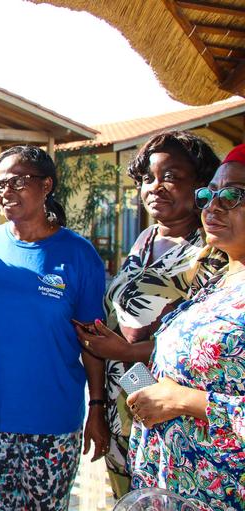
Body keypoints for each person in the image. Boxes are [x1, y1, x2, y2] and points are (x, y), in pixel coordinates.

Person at [74, 131, 226, 498]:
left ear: (202, 184)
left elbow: (205, 343)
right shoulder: (145, 240)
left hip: (172, 409)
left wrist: (127, 353)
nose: (155, 187)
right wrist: (97, 405)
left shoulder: (213, 252)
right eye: (147, 178)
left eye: (171, 177)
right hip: (121, 397)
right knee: (128, 497)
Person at [0, 145, 109, 511]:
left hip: (53, 417)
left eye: (19, 181)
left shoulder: (79, 255)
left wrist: (97, 406)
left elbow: (92, 342)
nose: (5, 190)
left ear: (47, 186)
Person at [117, 144, 245, 509]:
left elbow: (182, 393)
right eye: (211, 195)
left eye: (234, 195)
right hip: (166, 483)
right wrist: (138, 382)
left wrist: (181, 401)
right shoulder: (219, 280)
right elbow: (167, 365)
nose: (214, 206)